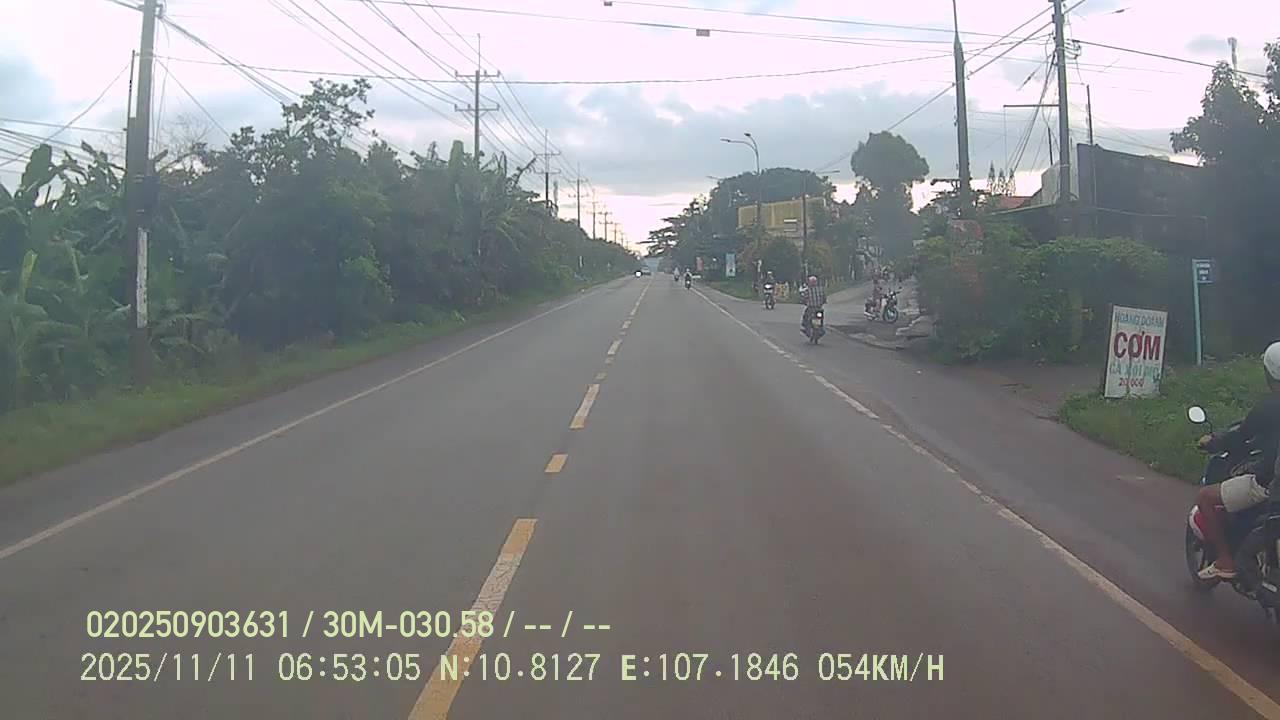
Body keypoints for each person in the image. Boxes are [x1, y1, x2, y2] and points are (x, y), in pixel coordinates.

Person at [1194, 341, 1280, 580]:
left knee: (1205, 497)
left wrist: (1213, 442)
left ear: (1268, 373)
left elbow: (1240, 436)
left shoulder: (1268, 406)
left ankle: (1225, 560)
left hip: (1269, 483)